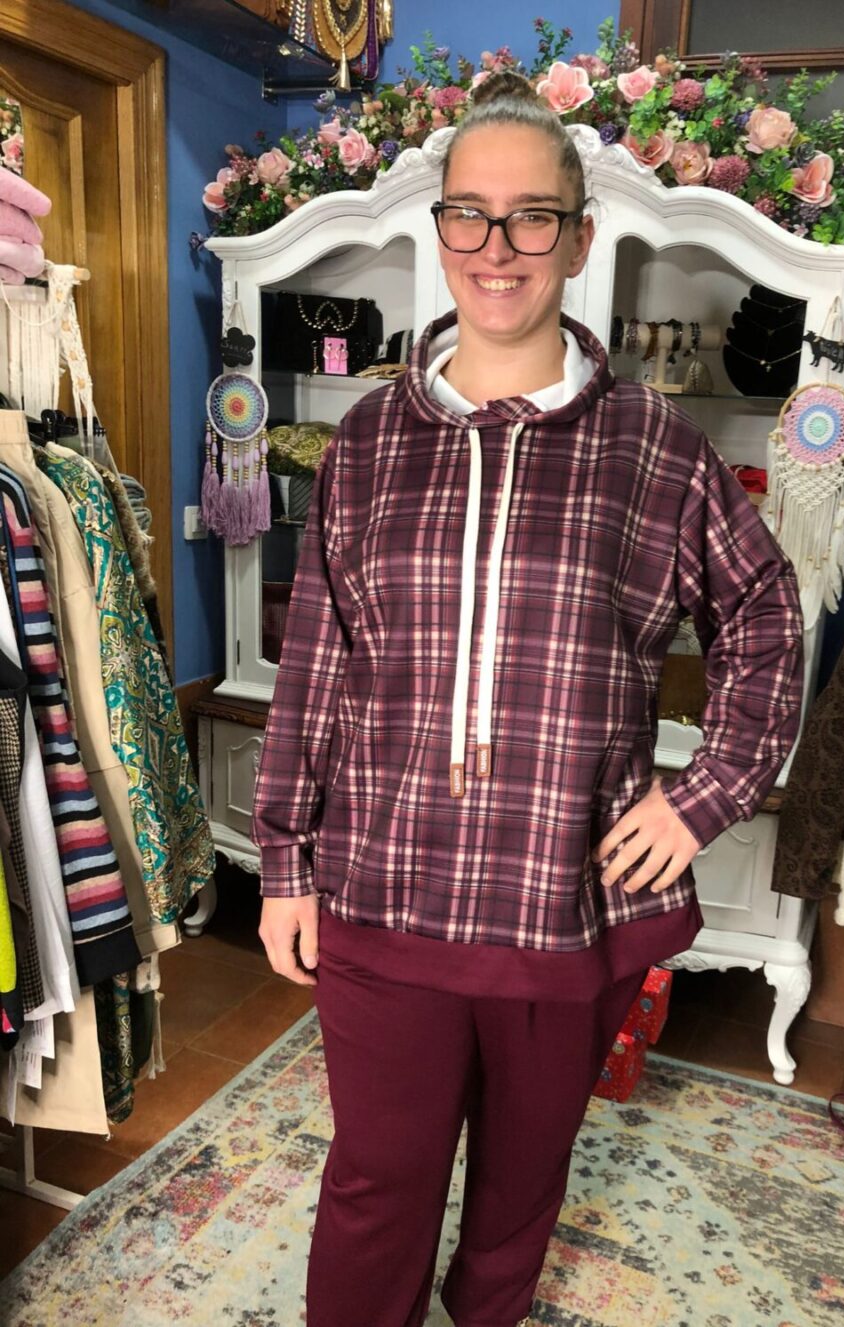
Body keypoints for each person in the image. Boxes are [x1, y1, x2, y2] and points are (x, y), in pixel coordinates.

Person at [253, 71, 804, 1327]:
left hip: (564, 894)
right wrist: (284, 860)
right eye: (469, 213)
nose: (496, 247)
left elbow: (766, 621)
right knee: (377, 1178)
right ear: (438, 227)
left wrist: (705, 796)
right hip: (383, 883)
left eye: (531, 216)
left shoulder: (655, 450)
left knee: (520, 1179)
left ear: (578, 235)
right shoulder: (366, 445)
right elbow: (319, 667)